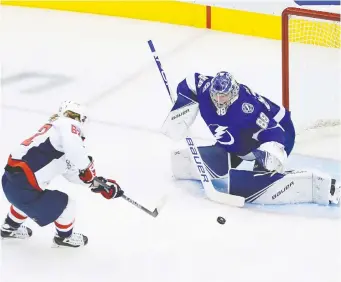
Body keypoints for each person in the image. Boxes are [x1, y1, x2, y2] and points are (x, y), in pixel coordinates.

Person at [162, 71, 340, 205]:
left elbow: (274, 131)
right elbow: (189, 83)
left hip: (278, 132)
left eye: (223, 96)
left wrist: (272, 154)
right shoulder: (206, 88)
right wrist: (182, 107)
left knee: (260, 172)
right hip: (240, 140)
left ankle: (310, 183)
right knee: (183, 163)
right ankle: (232, 158)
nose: (218, 99)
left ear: (232, 93)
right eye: (215, 95)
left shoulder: (247, 110)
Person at [1, 101, 124, 247]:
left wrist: (98, 184)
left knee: (28, 200)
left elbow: (71, 171)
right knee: (67, 206)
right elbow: (74, 150)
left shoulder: (54, 135)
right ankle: (64, 237)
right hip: (23, 185)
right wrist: (88, 170)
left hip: (10, 182)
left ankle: (9, 228)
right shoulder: (68, 126)